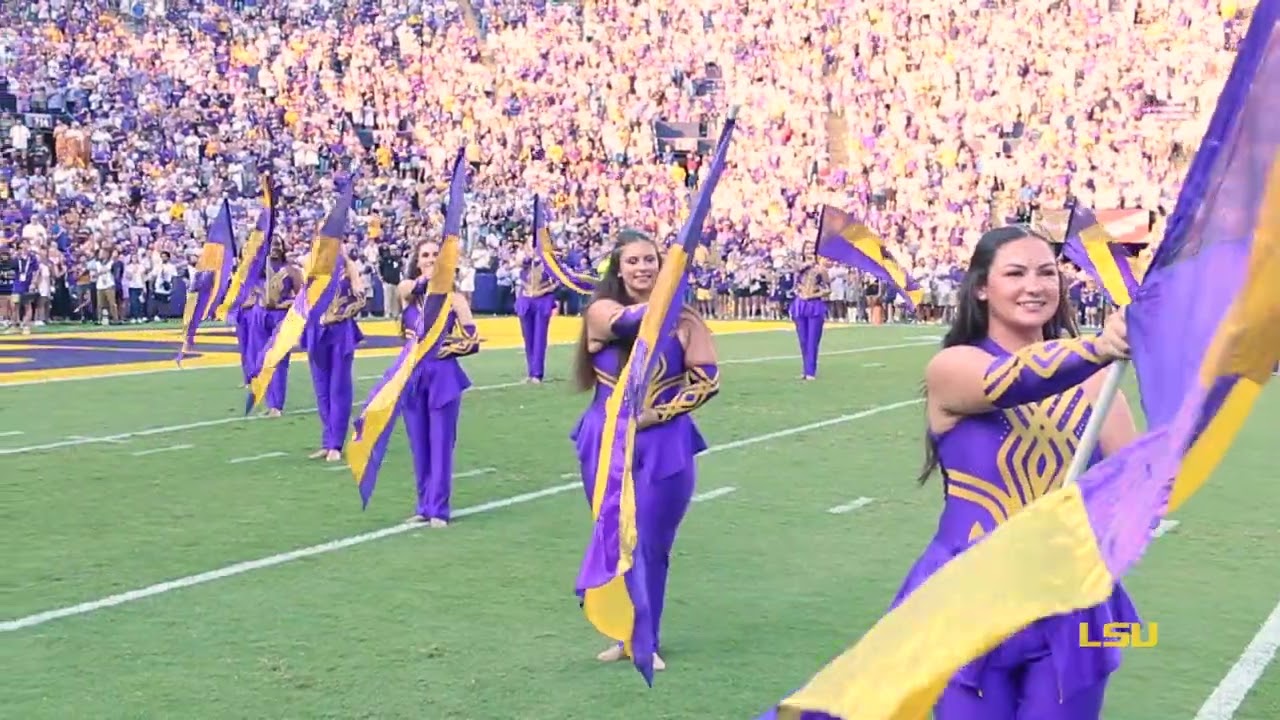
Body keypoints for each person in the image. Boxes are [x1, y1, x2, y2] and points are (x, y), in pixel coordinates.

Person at [903, 225, 1140, 720]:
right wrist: (1098, 347)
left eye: (1047, 273)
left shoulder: (1101, 383)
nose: (1034, 285)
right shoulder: (953, 366)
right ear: (982, 287)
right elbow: (1008, 380)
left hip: (1069, 606)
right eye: (1015, 273)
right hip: (966, 596)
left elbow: (1139, 487)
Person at [571, 229, 720, 672]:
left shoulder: (687, 319)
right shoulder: (601, 310)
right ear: (618, 268)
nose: (642, 267)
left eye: (651, 260)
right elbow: (629, 324)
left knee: (651, 542)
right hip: (604, 439)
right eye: (633, 261)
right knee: (614, 537)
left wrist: (655, 415)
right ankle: (624, 632)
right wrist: (670, 293)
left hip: (664, 442)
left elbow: (707, 380)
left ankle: (645, 638)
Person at [398, 238, 478, 527]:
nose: (431, 259)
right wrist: (428, 279)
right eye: (425, 255)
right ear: (417, 261)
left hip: (443, 376)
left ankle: (439, 508)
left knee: (441, 443)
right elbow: (412, 289)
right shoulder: (407, 291)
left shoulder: (455, 299)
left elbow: (472, 339)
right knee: (418, 444)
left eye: (436, 255)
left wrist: (445, 346)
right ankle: (423, 505)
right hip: (411, 376)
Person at [306, 257, 367, 462]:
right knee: (321, 389)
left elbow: (360, 298)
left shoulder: (347, 267)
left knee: (338, 388)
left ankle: (336, 444)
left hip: (340, 333)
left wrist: (339, 315)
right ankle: (327, 441)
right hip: (316, 331)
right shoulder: (312, 264)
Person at [248, 242, 301, 417]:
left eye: (279, 244)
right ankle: (269, 402)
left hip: (281, 317)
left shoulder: (291, 271)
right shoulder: (258, 268)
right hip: (259, 315)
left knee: (278, 359)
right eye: (272, 244)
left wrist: (287, 303)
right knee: (262, 358)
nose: (276, 247)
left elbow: (303, 297)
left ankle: (277, 405)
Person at [515, 250, 557, 383]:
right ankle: (530, 371)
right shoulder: (527, 260)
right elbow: (519, 265)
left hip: (542, 300)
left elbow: (557, 281)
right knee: (528, 338)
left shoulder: (551, 261)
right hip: (526, 299)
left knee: (539, 337)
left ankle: (537, 373)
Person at [789, 256, 829, 380]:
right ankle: (805, 370)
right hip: (800, 305)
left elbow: (828, 289)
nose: (809, 252)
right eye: (807, 249)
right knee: (803, 341)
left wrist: (813, 294)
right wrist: (800, 293)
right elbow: (795, 286)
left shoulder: (821, 270)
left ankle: (811, 371)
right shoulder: (800, 270)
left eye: (811, 250)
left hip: (815, 305)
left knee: (813, 340)